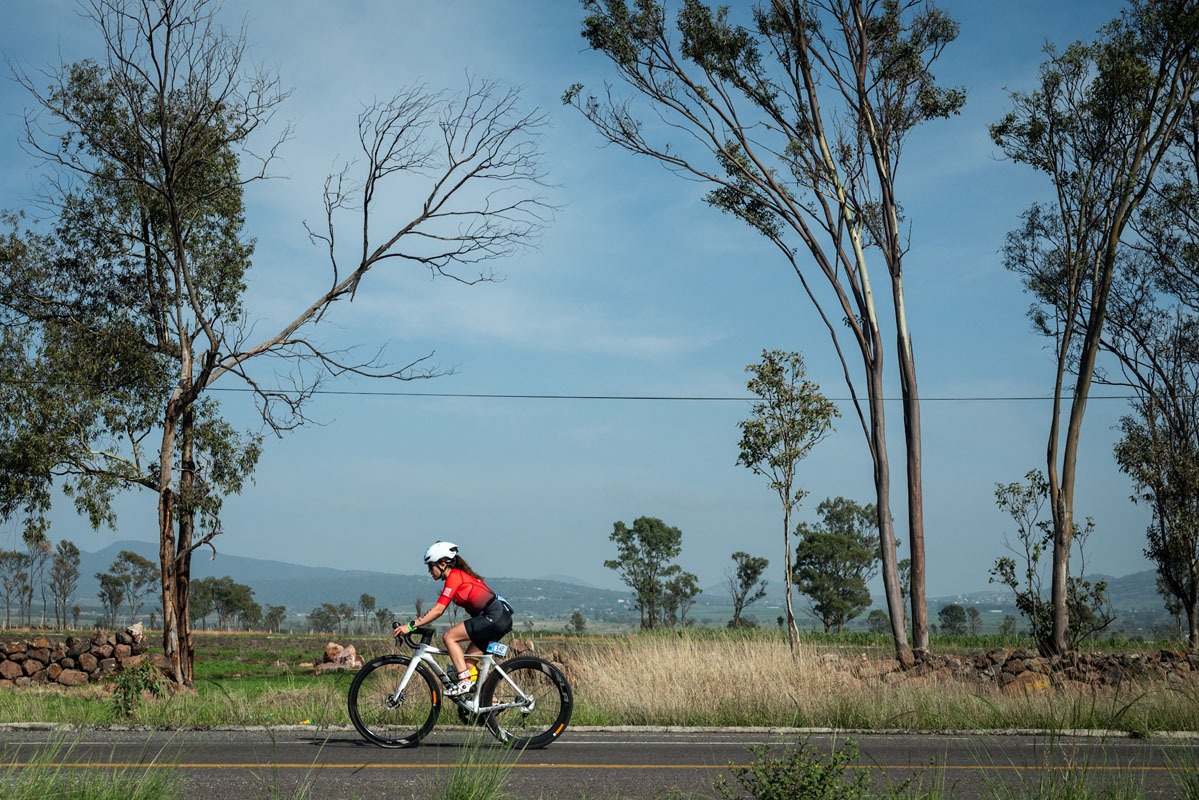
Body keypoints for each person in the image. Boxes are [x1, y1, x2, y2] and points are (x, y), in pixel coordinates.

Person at [394, 541, 513, 696]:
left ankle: (464, 682)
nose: (429, 571)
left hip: (494, 617)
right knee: (467, 666)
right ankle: (490, 703)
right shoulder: (458, 576)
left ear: (442, 564)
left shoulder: (455, 577)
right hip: (499, 618)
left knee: (449, 636)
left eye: (430, 566)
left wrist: (410, 626)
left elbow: (438, 610)